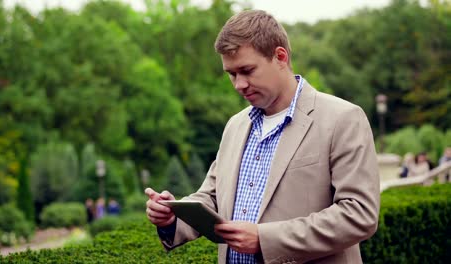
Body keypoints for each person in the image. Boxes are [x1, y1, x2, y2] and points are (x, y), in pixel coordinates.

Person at [145, 10, 379, 264]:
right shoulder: (235, 125)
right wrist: (174, 216)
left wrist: (265, 239)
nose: (239, 85)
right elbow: (212, 198)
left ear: (280, 57)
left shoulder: (343, 118)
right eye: (231, 74)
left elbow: (359, 214)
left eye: (247, 70)